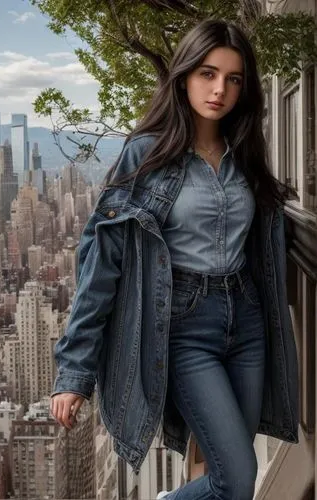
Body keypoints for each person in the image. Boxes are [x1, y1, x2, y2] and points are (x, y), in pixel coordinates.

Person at [50, 19, 299, 500]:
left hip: (247, 321)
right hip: (183, 327)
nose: (219, 89)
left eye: (233, 79)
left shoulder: (244, 150)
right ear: (184, 75)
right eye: (207, 74)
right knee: (237, 478)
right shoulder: (147, 154)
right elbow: (101, 262)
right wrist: (74, 373)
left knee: (233, 484)